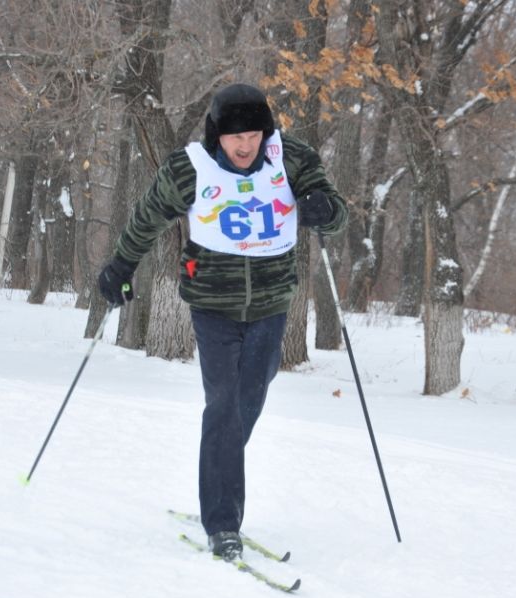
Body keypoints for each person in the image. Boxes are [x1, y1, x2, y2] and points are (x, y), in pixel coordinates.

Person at [97, 83, 347, 561]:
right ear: (217, 135)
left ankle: (218, 475)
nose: (245, 145)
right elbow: (147, 218)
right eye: (235, 137)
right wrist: (121, 266)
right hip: (212, 305)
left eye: (254, 134)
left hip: (272, 306)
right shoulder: (189, 168)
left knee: (245, 405)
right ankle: (222, 523)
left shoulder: (291, 160)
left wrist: (325, 210)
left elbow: (336, 216)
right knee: (224, 406)